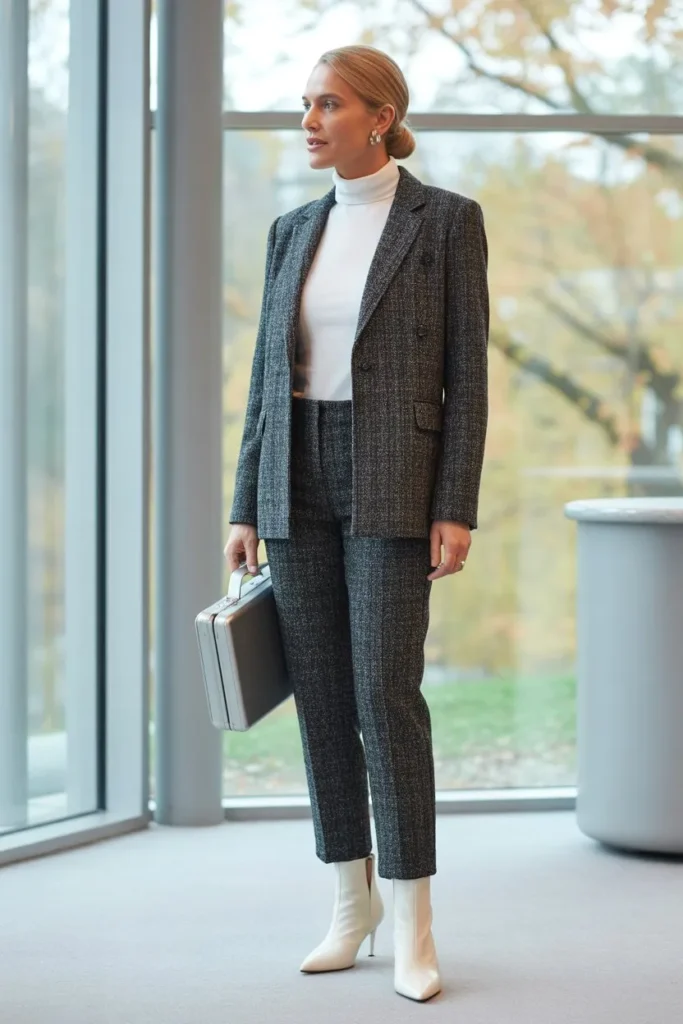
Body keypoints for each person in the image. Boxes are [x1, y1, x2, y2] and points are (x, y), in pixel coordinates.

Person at [225, 44, 489, 1003]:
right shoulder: (290, 229)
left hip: (396, 477)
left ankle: (414, 922)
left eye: (326, 104)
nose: (308, 120)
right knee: (325, 703)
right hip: (296, 480)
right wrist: (246, 501)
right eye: (304, 104)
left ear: (378, 116)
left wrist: (453, 503)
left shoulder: (446, 223)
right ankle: (351, 903)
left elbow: (468, 375)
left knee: (387, 695)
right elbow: (264, 379)